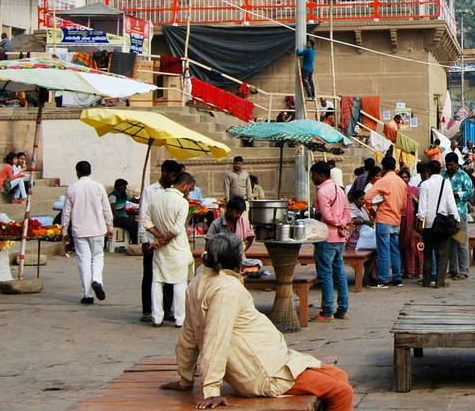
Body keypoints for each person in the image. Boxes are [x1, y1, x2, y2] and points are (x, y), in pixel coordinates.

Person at [161, 232, 354, 410]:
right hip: (266, 372)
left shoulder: (198, 282)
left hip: (272, 360)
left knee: (339, 375)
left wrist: (185, 379)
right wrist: (211, 390)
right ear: (236, 260)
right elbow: (215, 339)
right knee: (342, 393)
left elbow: (188, 335)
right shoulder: (226, 289)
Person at [148, 172, 196, 327]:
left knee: (157, 281)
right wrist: (164, 239)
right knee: (179, 283)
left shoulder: (156, 198)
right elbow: (176, 229)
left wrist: (159, 238)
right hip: (177, 249)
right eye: (189, 188)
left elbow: (146, 222)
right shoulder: (182, 202)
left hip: (161, 250)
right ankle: (179, 318)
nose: (189, 191)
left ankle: (156, 317)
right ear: (184, 185)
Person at [62, 160, 113, 305]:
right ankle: (97, 280)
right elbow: (106, 209)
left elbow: (66, 213)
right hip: (98, 229)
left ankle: (87, 294)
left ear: (77, 172)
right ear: (90, 171)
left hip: (80, 230)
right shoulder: (98, 187)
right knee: (98, 257)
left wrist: (64, 231)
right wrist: (110, 227)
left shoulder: (72, 188)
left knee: (84, 261)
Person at [139, 159, 181, 322]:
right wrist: (144, 240)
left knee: (169, 275)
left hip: (169, 241)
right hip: (151, 239)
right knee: (149, 275)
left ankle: (167, 309)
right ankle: (147, 310)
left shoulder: (174, 192)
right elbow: (143, 217)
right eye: (171, 175)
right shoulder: (149, 191)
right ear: (163, 172)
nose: (173, 178)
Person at [310, 161, 352, 320]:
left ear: (321, 175)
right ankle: (343, 309)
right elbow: (348, 211)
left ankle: (327, 311)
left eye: (313, 175)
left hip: (327, 237)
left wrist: (338, 222)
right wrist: (343, 222)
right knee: (339, 273)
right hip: (340, 238)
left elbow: (326, 216)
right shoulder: (339, 190)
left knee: (326, 274)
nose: (313, 178)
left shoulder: (322, 191)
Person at [363, 156, 407, 287]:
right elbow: (404, 205)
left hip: (384, 218)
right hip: (396, 219)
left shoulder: (383, 181)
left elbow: (367, 197)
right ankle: (397, 277)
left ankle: (383, 279)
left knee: (384, 251)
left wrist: (372, 209)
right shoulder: (401, 182)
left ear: (384, 167)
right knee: (394, 250)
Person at [416, 161, 458, 288]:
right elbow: (451, 203)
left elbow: (422, 206)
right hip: (442, 223)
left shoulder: (425, 184)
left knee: (428, 253)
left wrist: (420, 220)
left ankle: (426, 280)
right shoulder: (446, 183)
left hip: (428, 223)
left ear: (428, 170)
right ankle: (440, 282)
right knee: (443, 254)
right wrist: (455, 217)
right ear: (440, 169)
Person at [444, 152, 473, 280]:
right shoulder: (443, 176)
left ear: (456, 164)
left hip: (459, 214)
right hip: (446, 215)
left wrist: (456, 194)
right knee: (450, 243)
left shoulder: (464, 176)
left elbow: (469, 193)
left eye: (451, 165)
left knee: (461, 242)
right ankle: (453, 269)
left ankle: (464, 271)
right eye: (447, 165)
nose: (449, 167)